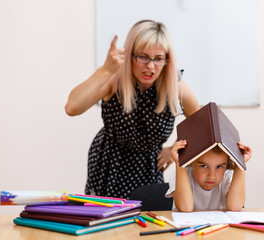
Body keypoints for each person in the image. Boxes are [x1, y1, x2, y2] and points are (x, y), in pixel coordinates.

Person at [65, 20, 200, 199]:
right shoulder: (115, 80)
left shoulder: (176, 88)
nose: (151, 66)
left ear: (167, 60)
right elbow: (72, 107)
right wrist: (106, 69)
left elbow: (202, 129)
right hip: (109, 165)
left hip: (148, 168)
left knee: (148, 220)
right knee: (108, 222)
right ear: (130, 55)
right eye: (143, 57)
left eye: (158, 59)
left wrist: (176, 150)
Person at [166, 140, 252, 212]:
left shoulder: (228, 177)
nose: (211, 176)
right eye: (204, 166)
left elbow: (235, 207)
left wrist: (240, 164)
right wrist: (179, 163)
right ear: (191, 161)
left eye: (219, 167)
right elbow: (186, 208)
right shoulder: (179, 175)